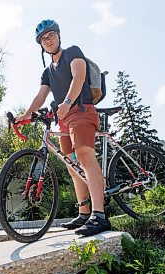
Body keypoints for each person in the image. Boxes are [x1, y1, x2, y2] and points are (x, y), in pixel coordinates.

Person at [16, 19, 111, 237]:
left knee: (85, 157)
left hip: (81, 110)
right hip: (64, 119)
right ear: (40, 45)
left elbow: (78, 77)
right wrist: (25, 116)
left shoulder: (72, 52)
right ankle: (84, 212)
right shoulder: (47, 71)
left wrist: (67, 102)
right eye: (43, 39)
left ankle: (100, 215)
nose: (47, 40)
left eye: (50, 35)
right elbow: (41, 96)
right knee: (71, 164)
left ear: (58, 35)